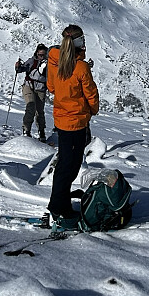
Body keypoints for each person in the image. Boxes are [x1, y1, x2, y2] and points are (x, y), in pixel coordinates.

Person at [45, 24, 99, 232]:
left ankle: (60, 203)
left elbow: (51, 87)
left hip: (61, 120)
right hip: (77, 121)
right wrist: (92, 110)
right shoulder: (81, 67)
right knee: (71, 166)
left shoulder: (54, 62)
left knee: (65, 164)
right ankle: (59, 207)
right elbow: (91, 95)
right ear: (80, 43)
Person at [15, 44, 49, 141]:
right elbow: (22, 69)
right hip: (29, 86)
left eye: (43, 55)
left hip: (40, 88)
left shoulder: (49, 64)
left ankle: (41, 131)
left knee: (40, 111)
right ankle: (26, 130)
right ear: (37, 53)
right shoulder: (32, 61)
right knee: (31, 107)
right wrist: (18, 67)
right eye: (40, 55)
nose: (41, 57)